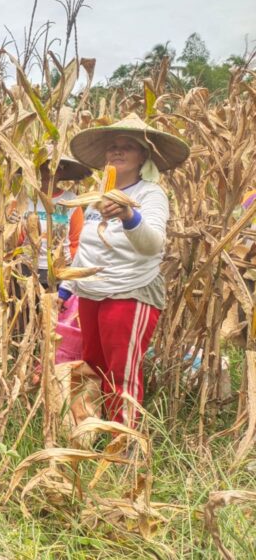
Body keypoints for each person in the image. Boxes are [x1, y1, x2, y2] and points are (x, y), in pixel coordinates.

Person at [58, 113, 190, 427]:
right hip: (91, 294)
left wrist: (129, 216)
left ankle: (124, 446)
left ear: (143, 155)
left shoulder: (150, 194)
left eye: (126, 147)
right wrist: (65, 290)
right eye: (112, 147)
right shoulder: (98, 195)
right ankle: (98, 432)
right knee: (94, 368)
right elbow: (87, 247)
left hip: (129, 294)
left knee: (122, 374)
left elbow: (152, 245)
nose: (116, 152)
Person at [13, 154, 90, 287]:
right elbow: (15, 240)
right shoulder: (23, 199)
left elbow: (76, 241)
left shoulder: (71, 201)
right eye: (44, 168)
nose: (49, 173)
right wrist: (13, 226)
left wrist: (66, 265)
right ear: (36, 171)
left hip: (60, 270)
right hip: (25, 267)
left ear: (61, 172)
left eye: (55, 168)